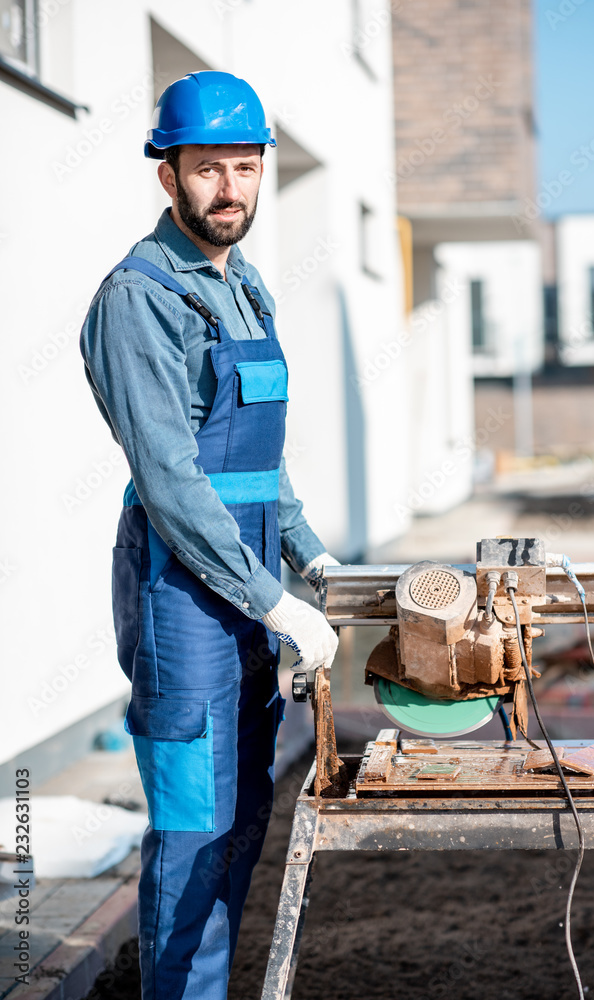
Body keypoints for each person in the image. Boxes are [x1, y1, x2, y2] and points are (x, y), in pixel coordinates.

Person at [80, 70, 339, 1000]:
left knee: (239, 825)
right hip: (184, 608)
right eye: (205, 169)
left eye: (243, 165)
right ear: (167, 176)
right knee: (192, 837)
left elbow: (259, 464)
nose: (228, 187)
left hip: (248, 606)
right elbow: (173, 484)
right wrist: (276, 600)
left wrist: (310, 556)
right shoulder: (137, 300)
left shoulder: (249, 288)